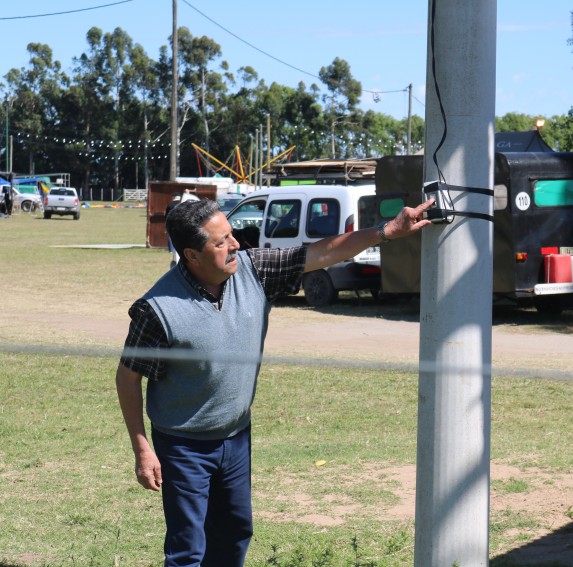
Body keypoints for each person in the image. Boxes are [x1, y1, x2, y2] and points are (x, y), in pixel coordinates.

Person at [115, 197, 432, 566]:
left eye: (231, 234)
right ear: (192, 255)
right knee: (188, 549)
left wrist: (386, 231)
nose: (235, 244)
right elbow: (127, 378)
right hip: (183, 446)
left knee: (235, 533)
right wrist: (143, 449)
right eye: (221, 242)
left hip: (236, 437)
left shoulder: (254, 270)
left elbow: (321, 253)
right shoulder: (157, 309)